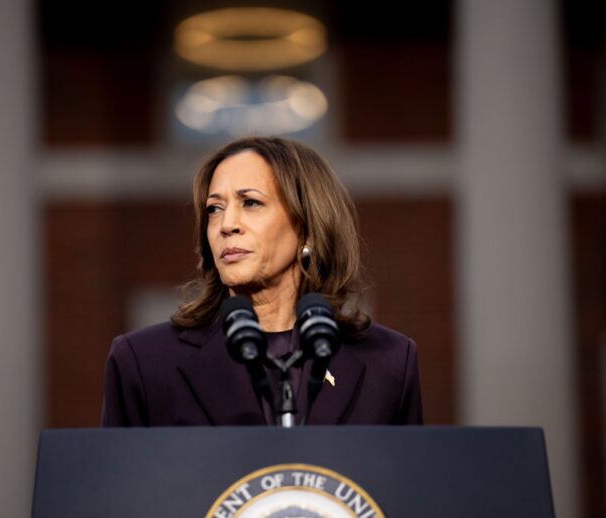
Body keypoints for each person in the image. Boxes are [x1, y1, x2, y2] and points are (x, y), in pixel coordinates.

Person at [101, 136, 423, 426]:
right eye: (214, 209)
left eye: (250, 203)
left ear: (307, 225)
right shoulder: (144, 361)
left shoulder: (389, 362)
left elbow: (404, 488)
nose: (227, 225)